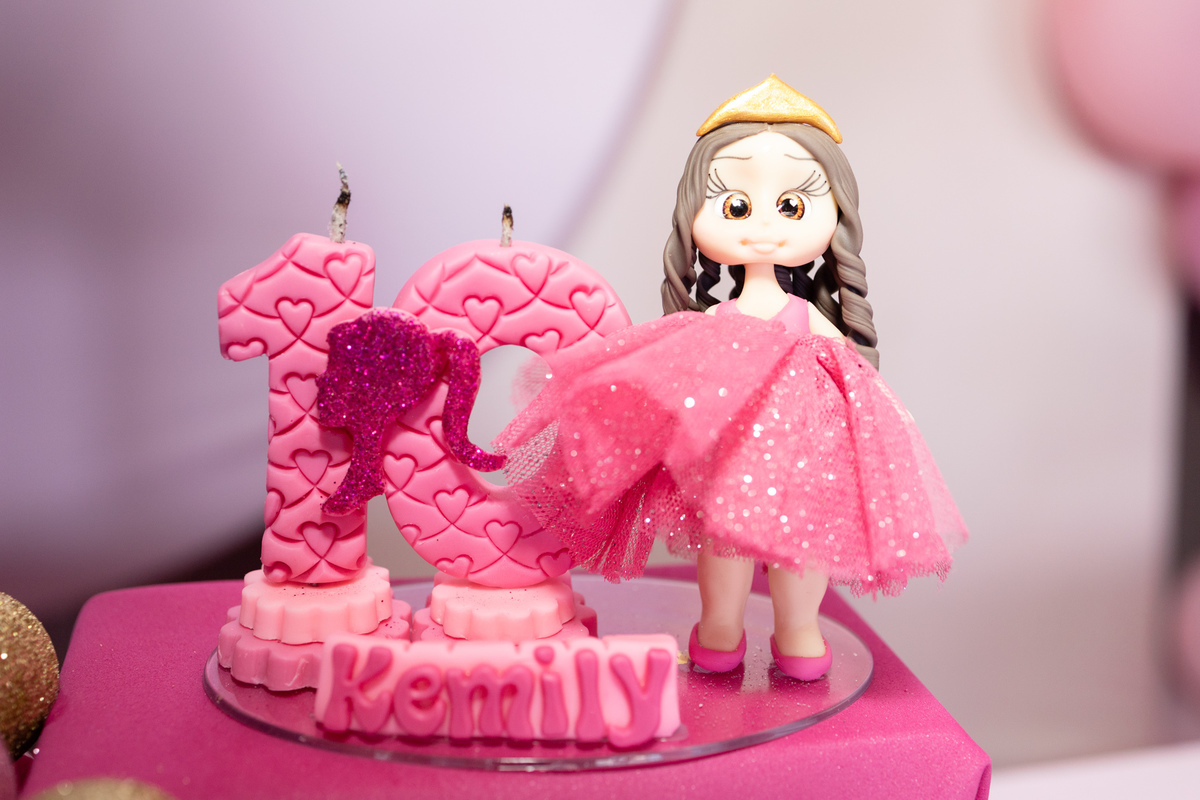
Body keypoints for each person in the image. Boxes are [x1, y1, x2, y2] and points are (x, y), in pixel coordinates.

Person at [497, 75, 967, 680]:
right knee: (723, 543)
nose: (762, 225)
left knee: (798, 544)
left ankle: (796, 633)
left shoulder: (806, 318)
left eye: (791, 206)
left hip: (802, 456)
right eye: (736, 207)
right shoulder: (716, 320)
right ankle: (722, 628)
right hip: (726, 453)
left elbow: (848, 369)